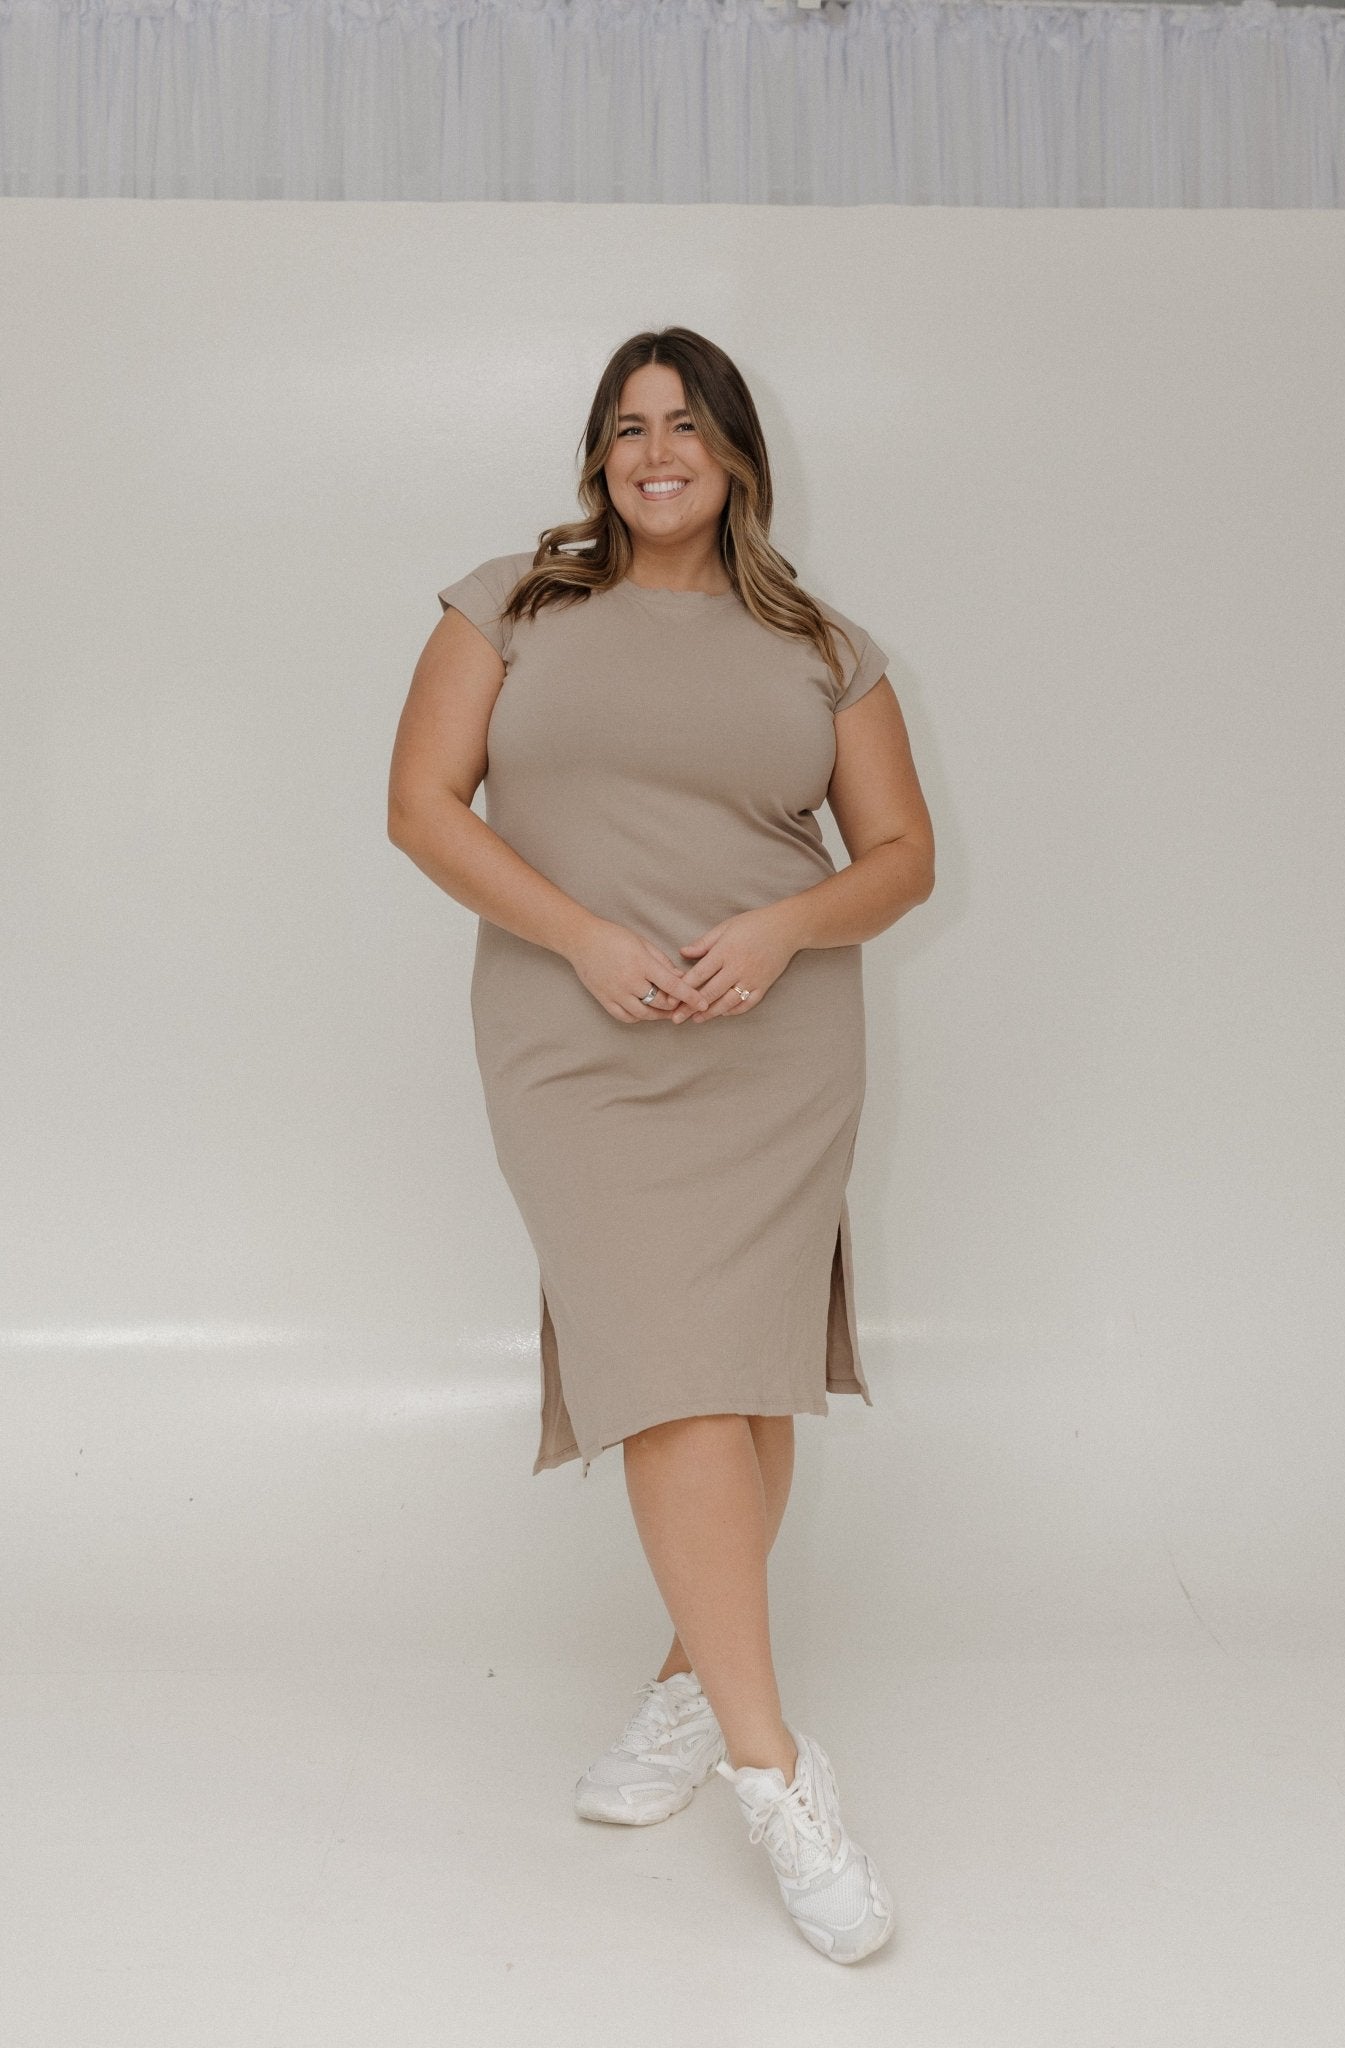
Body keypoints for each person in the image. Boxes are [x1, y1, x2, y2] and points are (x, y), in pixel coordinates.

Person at [387, 326, 934, 1964]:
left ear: (737, 455)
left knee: (740, 1377)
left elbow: (898, 857)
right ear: (597, 458)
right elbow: (422, 806)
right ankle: (778, 1775)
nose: (653, 451)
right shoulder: (510, 605)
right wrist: (582, 939)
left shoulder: (820, 645)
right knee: (672, 1376)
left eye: (683, 424)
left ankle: (697, 1683)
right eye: (625, 427)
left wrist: (779, 930)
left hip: (774, 1046)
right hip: (577, 1042)